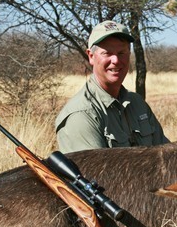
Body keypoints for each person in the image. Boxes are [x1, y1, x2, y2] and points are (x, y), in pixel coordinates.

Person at [55, 20, 169, 153]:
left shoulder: (138, 103)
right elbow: (95, 172)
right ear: (91, 56)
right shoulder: (81, 115)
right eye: (107, 53)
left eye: (122, 53)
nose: (115, 60)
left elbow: (166, 157)